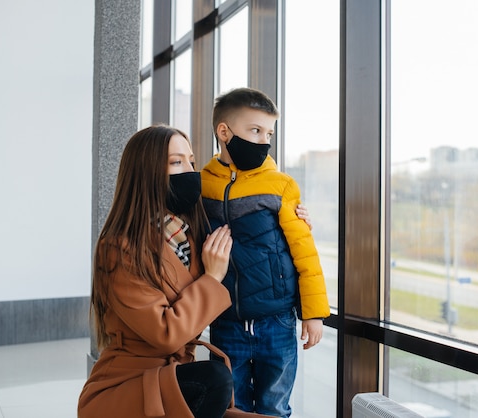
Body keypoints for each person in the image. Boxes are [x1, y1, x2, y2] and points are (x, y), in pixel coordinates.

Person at [78, 124, 241, 418]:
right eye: (176, 162)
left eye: (191, 161)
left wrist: (289, 216)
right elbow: (166, 334)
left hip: (177, 378)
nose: (191, 171)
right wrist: (212, 278)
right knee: (215, 380)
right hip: (128, 385)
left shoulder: (189, 234)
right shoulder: (118, 246)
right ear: (146, 172)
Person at [201, 87, 331, 417]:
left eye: (269, 133)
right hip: (226, 321)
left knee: (275, 407)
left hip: (277, 322)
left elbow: (305, 253)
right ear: (224, 131)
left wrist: (312, 313)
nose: (263, 140)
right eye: (255, 130)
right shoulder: (201, 184)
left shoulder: (280, 185)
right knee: (231, 408)